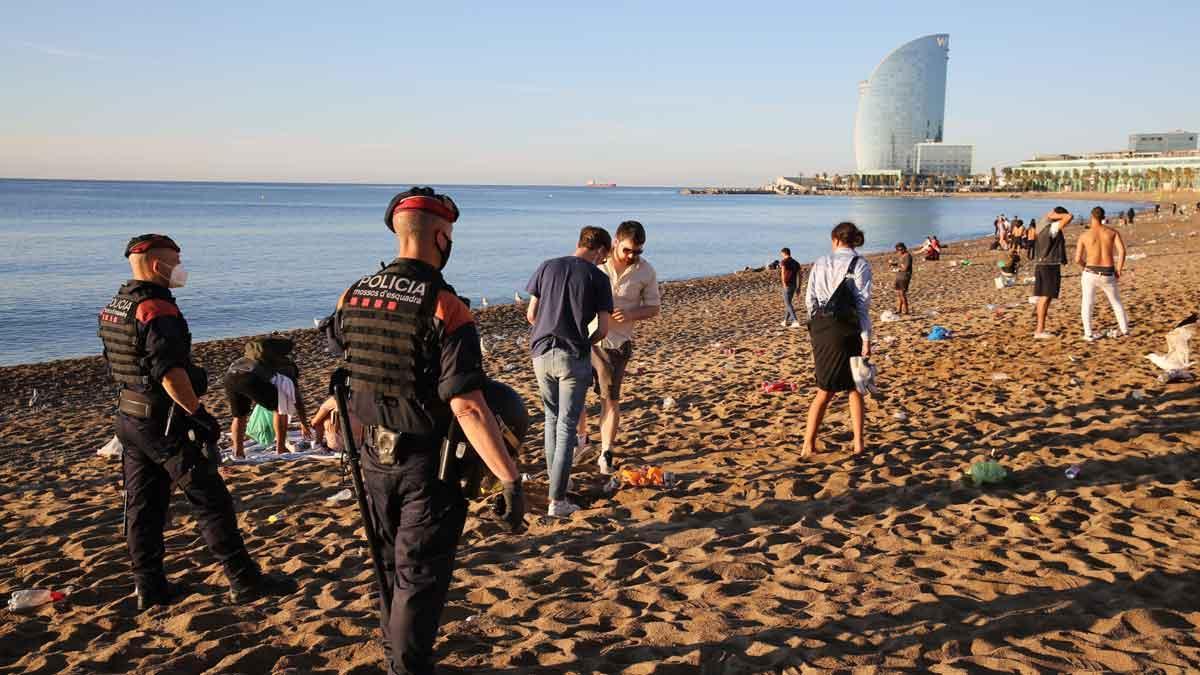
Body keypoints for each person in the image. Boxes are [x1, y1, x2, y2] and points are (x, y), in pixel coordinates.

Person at [327, 187, 524, 675]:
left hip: (373, 459)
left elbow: (349, 369)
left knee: (390, 568)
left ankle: (399, 659)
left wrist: (339, 410)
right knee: (419, 577)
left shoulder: (353, 295)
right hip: (427, 465)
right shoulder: (445, 306)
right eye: (449, 235)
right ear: (440, 236)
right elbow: (467, 405)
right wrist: (510, 477)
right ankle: (408, 667)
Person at [99, 234, 292, 610]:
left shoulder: (115, 306)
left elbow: (119, 363)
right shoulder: (156, 309)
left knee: (143, 506)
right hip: (163, 421)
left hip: (128, 418)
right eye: (176, 260)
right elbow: (169, 371)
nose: (180, 268)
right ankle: (243, 579)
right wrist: (197, 414)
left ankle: (149, 587)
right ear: (158, 265)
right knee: (210, 498)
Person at [525, 226, 613, 516]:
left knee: (551, 419)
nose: (604, 261)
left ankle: (557, 483)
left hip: (540, 352)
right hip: (571, 353)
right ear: (600, 250)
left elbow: (531, 315)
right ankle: (558, 500)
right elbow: (602, 327)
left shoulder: (546, 267)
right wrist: (584, 342)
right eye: (605, 255)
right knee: (566, 427)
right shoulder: (597, 278)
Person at [576, 221, 661, 475]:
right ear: (615, 242)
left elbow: (654, 307)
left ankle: (606, 451)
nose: (632, 256)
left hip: (616, 345)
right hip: (585, 339)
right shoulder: (595, 262)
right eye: (627, 250)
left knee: (610, 399)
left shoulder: (645, 271)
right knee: (576, 395)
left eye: (638, 252)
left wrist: (632, 313)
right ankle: (581, 441)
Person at [802, 222, 873, 457]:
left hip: (823, 329)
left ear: (835, 239)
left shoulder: (821, 262)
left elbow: (810, 300)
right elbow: (862, 306)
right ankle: (858, 443)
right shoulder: (860, 264)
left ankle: (808, 444)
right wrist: (866, 338)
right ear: (854, 240)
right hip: (848, 330)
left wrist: (816, 325)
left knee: (824, 389)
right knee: (855, 388)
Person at [223, 335, 312, 457]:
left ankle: (238, 452)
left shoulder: (250, 357)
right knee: (280, 409)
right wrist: (304, 423)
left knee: (239, 416)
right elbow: (297, 398)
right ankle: (281, 448)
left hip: (230, 376)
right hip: (250, 379)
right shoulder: (286, 366)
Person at [1075, 206, 1129, 341]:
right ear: (1103, 218)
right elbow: (1122, 252)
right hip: (1108, 272)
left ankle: (1088, 333)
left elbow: (1077, 259)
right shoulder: (1112, 232)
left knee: (1087, 302)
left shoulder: (1084, 235)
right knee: (1116, 302)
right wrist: (1119, 270)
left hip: (1090, 271)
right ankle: (1125, 330)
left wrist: (1084, 267)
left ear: (1091, 217)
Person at [1033, 207, 1072, 338]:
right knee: (1046, 296)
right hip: (1049, 265)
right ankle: (1039, 330)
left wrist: (1050, 215)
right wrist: (1055, 215)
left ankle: (1039, 329)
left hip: (1041, 263)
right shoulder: (1052, 227)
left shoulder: (1041, 225)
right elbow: (1069, 217)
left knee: (1044, 297)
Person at [779, 246, 802, 328]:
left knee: (788, 303)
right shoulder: (796, 263)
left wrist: (784, 283)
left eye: (781, 254)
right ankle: (785, 321)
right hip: (794, 285)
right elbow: (800, 275)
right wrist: (799, 287)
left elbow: (783, 273)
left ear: (784, 253)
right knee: (788, 303)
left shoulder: (784, 262)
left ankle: (795, 320)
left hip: (787, 284)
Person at [891, 242, 912, 315]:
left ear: (904, 248)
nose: (899, 251)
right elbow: (900, 264)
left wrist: (898, 269)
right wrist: (893, 264)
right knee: (899, 294)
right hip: (899, 276)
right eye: (898, 250)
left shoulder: (907, 256)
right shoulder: (901, 255)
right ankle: (899, 309)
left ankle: (906, 310)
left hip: (905, 276)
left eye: (900, 249)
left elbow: (906, 268)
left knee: (902, 293)